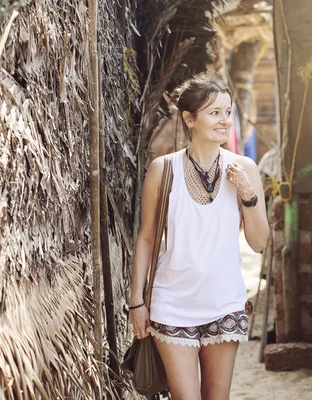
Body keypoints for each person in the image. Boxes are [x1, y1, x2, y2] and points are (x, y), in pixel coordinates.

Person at [129, 72, 269, 400]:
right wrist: (136, 301)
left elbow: (259, 243)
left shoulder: (244, 168)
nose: (224, 120)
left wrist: (248, 196)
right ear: (190, 119)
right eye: (214, 112)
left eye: (228, 112)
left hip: (225, 302)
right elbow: (147, 238)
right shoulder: (163, 170)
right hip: (172, 303)